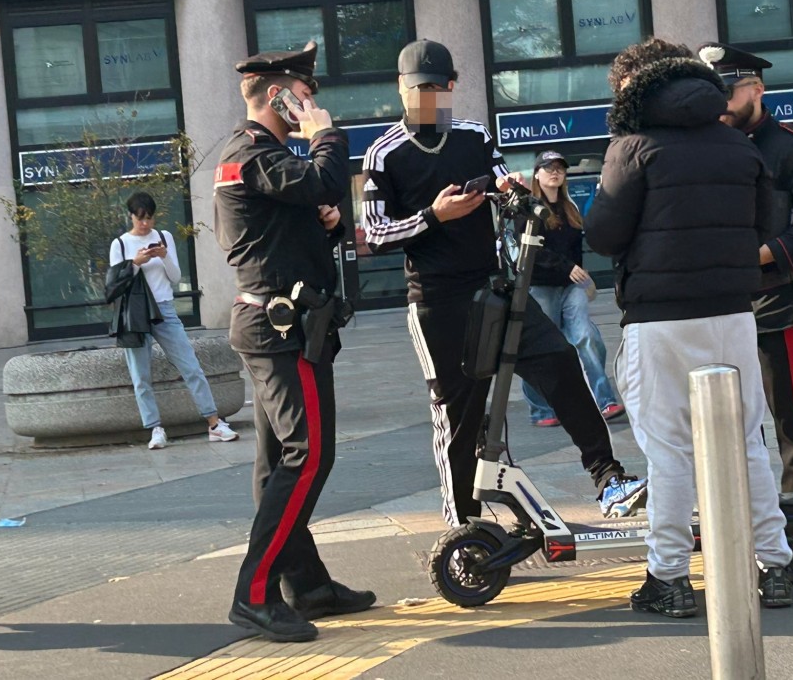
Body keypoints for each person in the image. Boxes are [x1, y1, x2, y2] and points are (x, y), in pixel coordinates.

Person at [361, 39, 646, 527]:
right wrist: (434, 215)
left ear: (452, 86)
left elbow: (500, 182)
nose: (428, 97)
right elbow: (373, 232)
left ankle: (609, 478)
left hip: (495, 286)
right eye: (419, 89)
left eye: (437, 87)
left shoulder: (474, 135)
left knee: (562, 366)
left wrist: (506, 189)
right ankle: (464, 525)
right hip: (436, 300)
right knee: (459, 413)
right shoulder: (383, 153)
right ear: (402, 89)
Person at [586, 38, 793, 618]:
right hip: (732, 312)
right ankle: (774, 566)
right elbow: (762, 222)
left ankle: (669, 577)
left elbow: (603, 234)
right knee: (748, 441)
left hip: (659, 319)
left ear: (634, 89)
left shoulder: (633, 147)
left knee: (670, 452)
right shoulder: (736, 144)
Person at [214, 42, 375, 643]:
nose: (313, 103)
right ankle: (253, 595)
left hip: (282, 326)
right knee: (306, 456)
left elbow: (297, 214)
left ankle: (305, 585)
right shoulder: (252, 151)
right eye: (305, 93)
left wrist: (325, 220)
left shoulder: (267, 157)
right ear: (278, 94)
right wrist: (326, 137)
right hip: (278, 330)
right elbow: (326, 176)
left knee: (276, 461)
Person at [698, 43, 793, 498]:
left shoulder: (791, 148)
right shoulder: (700, 149)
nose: (720, 103)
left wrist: (765, 254)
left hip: (774, 302)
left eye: (727, 92)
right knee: (729, 423)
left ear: (757, 90)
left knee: (791, 417)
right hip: (714, 306)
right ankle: (746, 515)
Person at [108, 192, 239, 450]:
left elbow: (176, 277)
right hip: (135, 314)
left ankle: (214, 423)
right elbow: (115, 285)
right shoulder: (120, 244)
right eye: (140, 218)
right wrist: (135, 263)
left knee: (191, 366)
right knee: (141, 376)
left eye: (149, 218)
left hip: (165, 309)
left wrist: (164, 256)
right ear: (131, 216)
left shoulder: (164, 237)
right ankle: (155, 429)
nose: (145, 224)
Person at [518, 149, 625, 428]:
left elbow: (575, 249)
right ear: (537, 175)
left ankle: (604, 401)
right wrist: (567, 267)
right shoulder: (529, 209)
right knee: (540, 348)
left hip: (570, 287)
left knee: (586, 336)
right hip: (541, 287)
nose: (555, 172)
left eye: (560, 168)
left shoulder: (571, 209)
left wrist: (578, 273)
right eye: (548, 168)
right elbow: (532, 252)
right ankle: (541, 409)